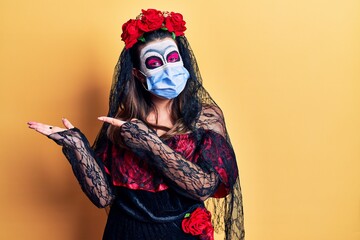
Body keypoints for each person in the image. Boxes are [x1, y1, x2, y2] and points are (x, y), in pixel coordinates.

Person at [28, 9, 244, 240]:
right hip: (125, 232)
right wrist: (76, 146)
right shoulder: (122, 122)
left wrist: (149, 143)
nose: (168, 69)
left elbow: (204, 186)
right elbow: (104, 198)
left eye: (172, 58)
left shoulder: (205, 117)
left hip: (179, 233)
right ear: (139, 74)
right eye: (154, 62)